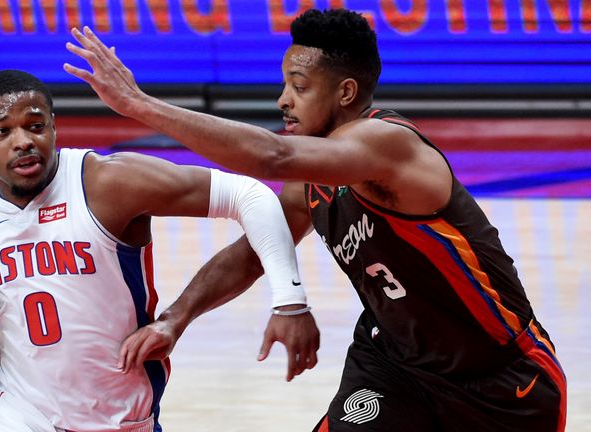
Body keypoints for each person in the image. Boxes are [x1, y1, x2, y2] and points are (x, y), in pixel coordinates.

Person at [63, 8, 567, 432]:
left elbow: (272, 156)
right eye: (285, 84)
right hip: (395, 369)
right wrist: (176, 317)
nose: (283, 99)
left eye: (298, 87)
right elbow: (253, 250)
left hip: (503, 381)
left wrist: (138, 105)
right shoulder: (314, 180)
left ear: (345, 93)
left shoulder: (387, 144)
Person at [0, 69, 320, 432]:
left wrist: (288, 301)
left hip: (121, 417)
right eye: (3, 131)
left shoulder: (107, 183)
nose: (24, 141)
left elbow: (252, 197)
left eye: (35, 125)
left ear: (54, 126)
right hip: (13, 417)